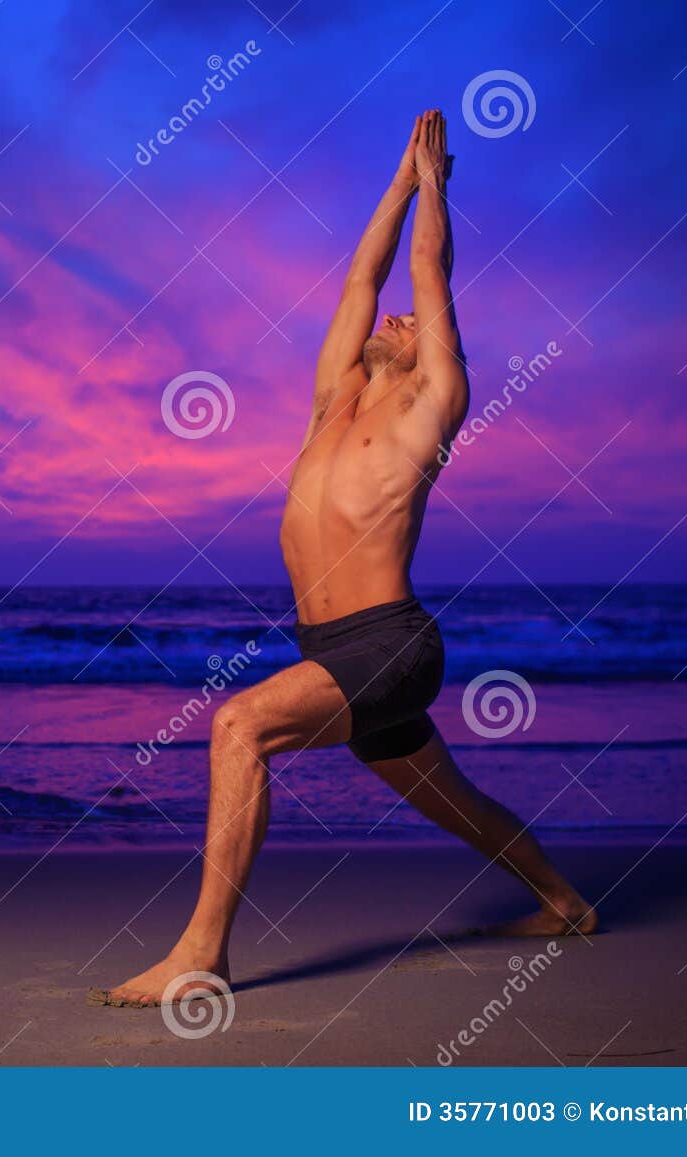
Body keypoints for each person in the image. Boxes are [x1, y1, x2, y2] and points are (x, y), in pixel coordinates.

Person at [92, 110, 595, 1009]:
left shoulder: (431, 403)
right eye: (391, 318)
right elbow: (364, 275)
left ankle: (201, 952)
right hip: (336, 654)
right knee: (457, 804)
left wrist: (435, 187)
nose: (393, 316)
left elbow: (423, 270)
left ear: (428, 354)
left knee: (238, 728)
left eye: (406, 325)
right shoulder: (335, 401)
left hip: (390, 646)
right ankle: (565, 903)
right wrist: (397, 184)